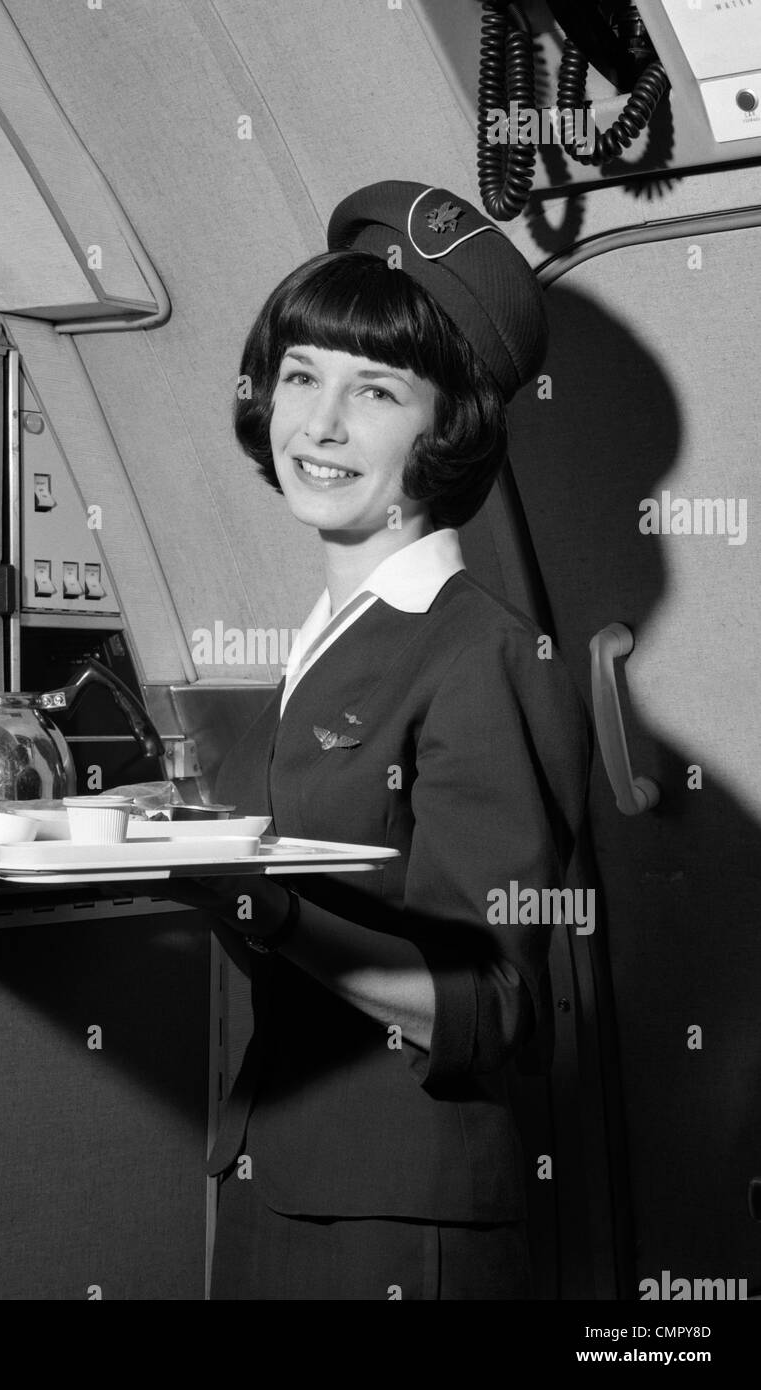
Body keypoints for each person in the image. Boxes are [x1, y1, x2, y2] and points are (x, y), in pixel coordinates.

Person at [174, 181, 590, 1300]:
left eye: (373, 391)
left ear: (443, 425)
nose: (317, 423)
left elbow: (495, 1001)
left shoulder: (483, 652)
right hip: (272, 1169)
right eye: (300, 376)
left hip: (399, 1215)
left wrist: (274, 913)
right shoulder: (324, 642)